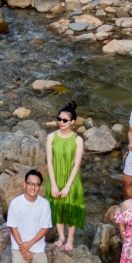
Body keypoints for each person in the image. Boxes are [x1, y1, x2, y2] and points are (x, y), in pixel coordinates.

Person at [45, 101, 85, 251]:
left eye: (64, 120)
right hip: (55, 176)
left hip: (71, 179)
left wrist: (68, 186)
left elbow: (76, 164)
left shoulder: (77, 140)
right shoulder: (51, 137)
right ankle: (61, 236)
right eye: (59, 119)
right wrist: (53, 184)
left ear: (72, 122)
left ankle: (70, 238)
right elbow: (49, 161)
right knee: (57, 206)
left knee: (71, 206)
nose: (61, 122)